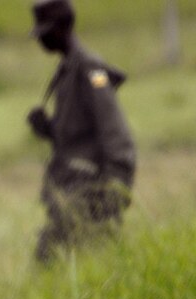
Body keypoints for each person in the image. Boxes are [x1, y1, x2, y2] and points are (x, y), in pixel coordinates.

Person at [26, 0, 136, 261]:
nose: (41, 41)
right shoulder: (68, 70)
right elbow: (78, 136)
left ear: (62, 28)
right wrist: (48, 129)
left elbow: (115, 133)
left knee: (64, 268)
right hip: (68, 190)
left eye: (45, 33)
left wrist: (116, 188)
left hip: (90, 193)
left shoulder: (89, 70)